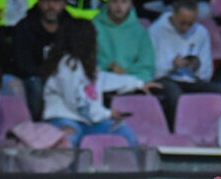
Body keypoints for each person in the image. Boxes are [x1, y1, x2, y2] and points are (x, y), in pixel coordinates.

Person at [42, 18, 158, 146]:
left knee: (123, 131)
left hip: (89, 122)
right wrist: (108, 113)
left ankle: (134, 165)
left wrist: (138, 83)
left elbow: (104, 79)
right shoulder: (66, 65)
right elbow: (79, 103)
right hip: (65, 119)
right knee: (68, 141)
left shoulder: (87, 64)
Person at [150, 0, 221, 120]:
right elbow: (151, 71)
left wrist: (196, 66)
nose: (186, 28)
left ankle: (215, 132)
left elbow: (206, 74)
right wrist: (172, 65)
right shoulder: (156, 30)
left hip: (191, 80)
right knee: (174, 94)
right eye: (182, 23)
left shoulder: (201, 32)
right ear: (174, 14)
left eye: (190, 24)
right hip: (165, 79)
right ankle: (177, 132)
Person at [11, 0, 69, 120]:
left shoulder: (71, 27)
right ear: (39, 2)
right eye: (46, 0)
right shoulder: (24, 27)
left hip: (65, 79)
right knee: (34, 82)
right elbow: (23, 65)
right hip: (35, 79)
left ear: (64, 3)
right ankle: (37, 125)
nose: (51, 5)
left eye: (56, 0)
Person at [94, 0, 155, 82]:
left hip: (134, 83)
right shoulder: (93, 27)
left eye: (124, 1)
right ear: (108, 3)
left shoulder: (140, 31)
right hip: (100, 82)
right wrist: (107, 66)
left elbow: (147, 66)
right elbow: (85, 61)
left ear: (131, 4)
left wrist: (125, 72)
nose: (119, 6)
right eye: (115, 1)